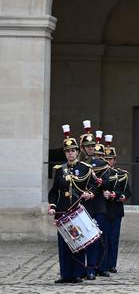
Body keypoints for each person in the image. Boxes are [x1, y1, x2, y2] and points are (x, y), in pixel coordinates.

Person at [47, 125, 96, 283]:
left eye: (73, 150)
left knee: (78, 240)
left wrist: (90, 193)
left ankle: (77, 273)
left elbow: (96, 184)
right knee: (64, 243)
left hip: (77, 209)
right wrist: (53, 205)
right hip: (62, 209)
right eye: (68, 151)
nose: (70, 153)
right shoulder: (60, 170)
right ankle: (65, 274)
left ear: (77, 152)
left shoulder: (85, 169)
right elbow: (54, 191)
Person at [78, 121, 109, 280]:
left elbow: (107, 182)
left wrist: (96, 187)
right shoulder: (78, 166)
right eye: (87, 146)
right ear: (82, 149)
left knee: (96, 239)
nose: (91, 148)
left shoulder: (102, 164)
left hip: (98, 206)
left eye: (92, 146)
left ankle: (93, 268)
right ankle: (82, 268)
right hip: (83, 206)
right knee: (83, 238)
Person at [100, 134, 130, 275]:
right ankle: (102, 265)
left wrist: (116, 196)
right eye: (105, 159)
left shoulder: (122, 174)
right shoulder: (97, 174)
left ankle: (112, 264)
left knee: (113, 239)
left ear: (114, 160)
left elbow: (127, 192)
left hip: (115, 209)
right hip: (102, 209)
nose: (107, 162)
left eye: (110, 159)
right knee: (102, 239)